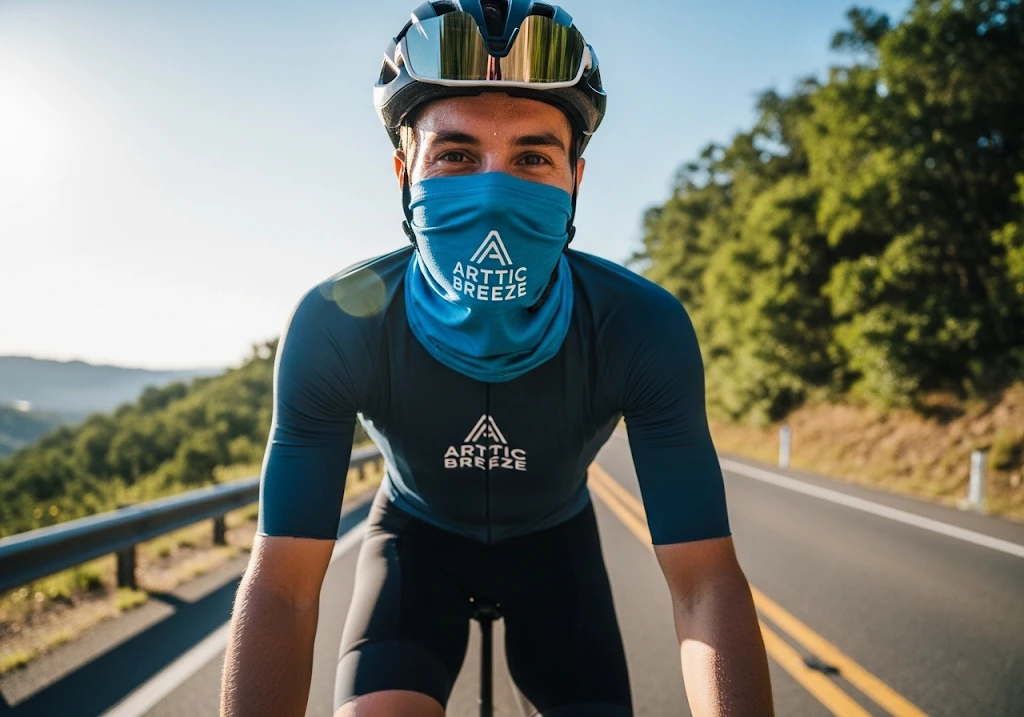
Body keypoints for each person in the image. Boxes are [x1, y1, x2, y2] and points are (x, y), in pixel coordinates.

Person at [220, 2, 774, 715]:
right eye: (454, 155)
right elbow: (284, 590)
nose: (492, 189)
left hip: (556, 550)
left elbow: (705, 586)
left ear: (577, 177)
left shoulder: (642, 326)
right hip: (414, 541)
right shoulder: (336, 323)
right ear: (404, 174)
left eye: (532, 157)